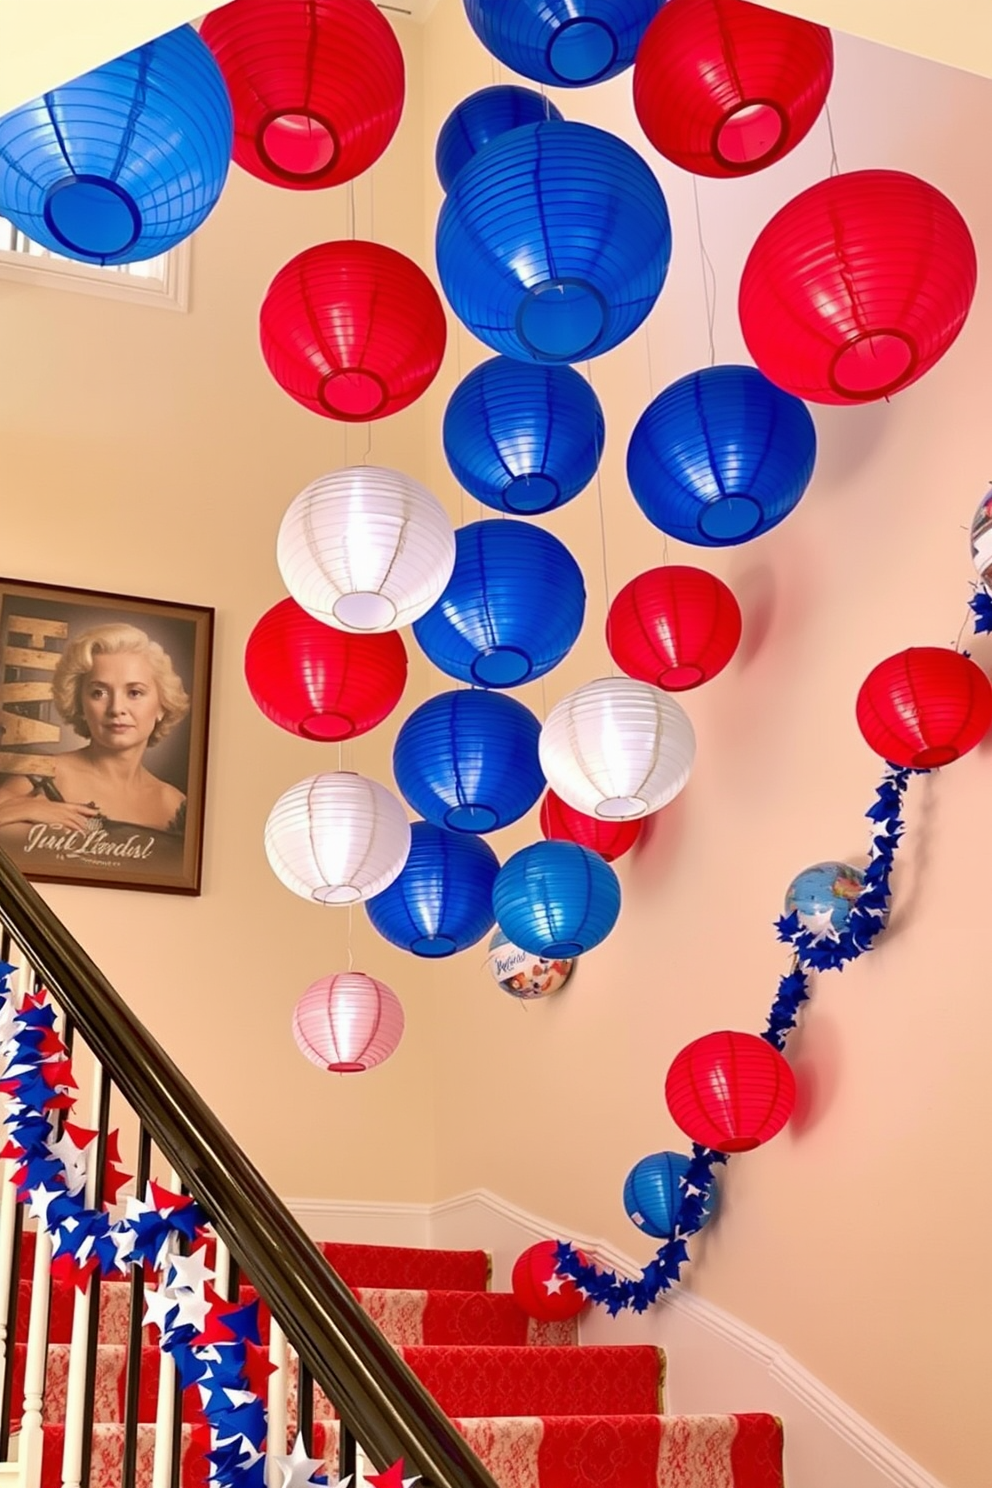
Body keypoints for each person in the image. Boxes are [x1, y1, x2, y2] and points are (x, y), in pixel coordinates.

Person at [0, 622, 190, 852]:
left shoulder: (176, 804)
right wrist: (22, 809)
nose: (116, 708)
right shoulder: (42, 777)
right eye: (98, 692)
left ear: (162, 705)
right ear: (80, 703)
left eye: (134, 693)